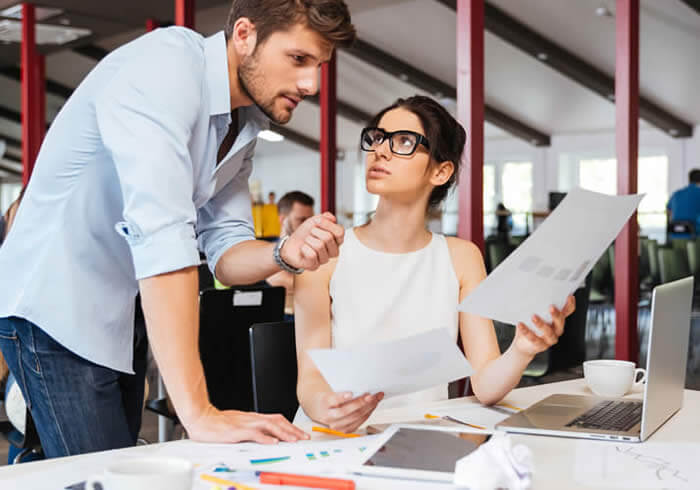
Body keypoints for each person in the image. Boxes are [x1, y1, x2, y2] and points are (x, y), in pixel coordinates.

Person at [0, 0, 355, 458]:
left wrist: (285, 251)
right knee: (98, 473)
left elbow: (227, 250)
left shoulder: (243, 120)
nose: (312, 84)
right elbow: (163, 239)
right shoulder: (163, 70)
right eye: (299, 59)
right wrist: (200, 414)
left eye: (320, 65)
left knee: (109, 462)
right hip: (55, 305)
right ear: (244, 34)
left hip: (122, 311)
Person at [294, 96, 575, 433]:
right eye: (378, 138)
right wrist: (326, 407)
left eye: (404, 142)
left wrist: (523, 348)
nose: (379, 151)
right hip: (332, 435)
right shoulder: (325, 253)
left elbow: (485, 385)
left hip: (421, 439)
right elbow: (310, 379)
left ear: (441, 171)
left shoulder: (462, 257)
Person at [267, 191, 315, 318]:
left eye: (310, 220)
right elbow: (277, 280)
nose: (308, 226)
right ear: (282, 219)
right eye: (301, 220)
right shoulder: (268, 250)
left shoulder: (314, 251)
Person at [667, 169, 700, 239]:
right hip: (694, 239)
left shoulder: (676, 194)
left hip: (674, 237)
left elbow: (668, 211)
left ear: (689, 180)